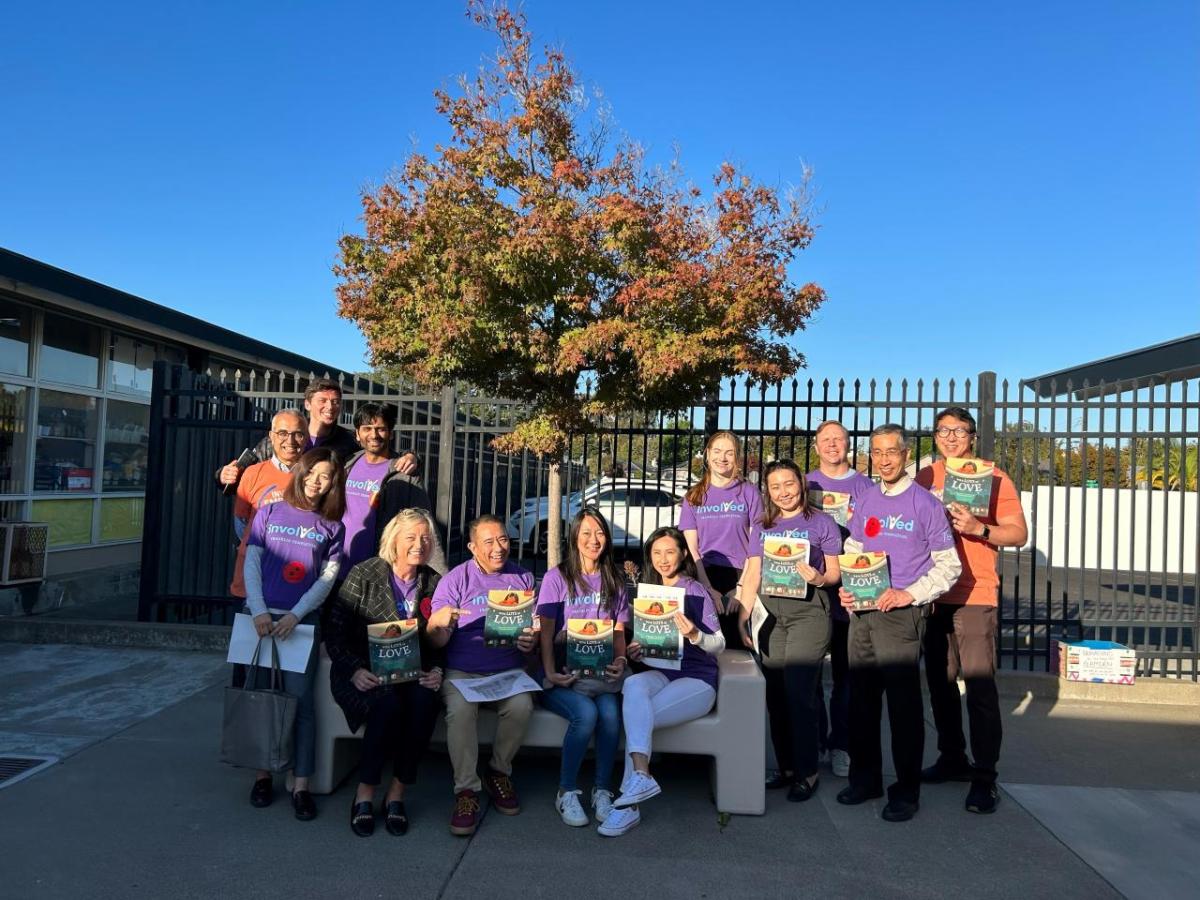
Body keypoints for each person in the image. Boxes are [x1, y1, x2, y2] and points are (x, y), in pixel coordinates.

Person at [835, 424, 960, 822]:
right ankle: (865, 779)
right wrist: (848, 588)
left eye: (891, 452)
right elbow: (855, 547)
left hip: (901, 617)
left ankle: (906, 791)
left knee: (904, 709)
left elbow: (950, 565)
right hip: (863, 615)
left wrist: (910, 594)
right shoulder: (868, 499)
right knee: (861, 703)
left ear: (906, 455)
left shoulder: (925, 504)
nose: (884, 459)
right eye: (876, 452)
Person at [916, 407, 1028, 814]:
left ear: (972, 436)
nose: (950, 437)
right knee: (940, 685)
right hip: (932, 593)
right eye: (943, 431)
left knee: (979, 687)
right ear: (934, 437)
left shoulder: (994, 477)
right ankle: (952, 758)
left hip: (975, 592)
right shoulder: (925, 477)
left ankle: (985, 777)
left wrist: (979, 529)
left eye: (958, 431)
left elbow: (1018, 532)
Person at [326, 508, 446, 836]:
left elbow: (444, 643)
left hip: (412, 673)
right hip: (363, 670)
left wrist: (437, 670)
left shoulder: (434, 583)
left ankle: (397, 793)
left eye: (425, 538)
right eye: (411, 537)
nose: (419, 544)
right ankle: (365, 792)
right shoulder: (365, 574)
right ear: (394, 540)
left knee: (425, 702)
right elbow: (334, 633)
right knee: (386, 705)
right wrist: (353, 670)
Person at [599, 526, 724, 837]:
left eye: (670, 551)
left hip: (697, 679)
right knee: (632, 686)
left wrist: (694, 634)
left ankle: (626, 808)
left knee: (639, 715)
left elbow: (718, 644)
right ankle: (641, 776)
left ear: (683, 553)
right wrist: (636, 650)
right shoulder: (649, 591)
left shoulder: (695, 591)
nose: (663, 559)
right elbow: (647, 651)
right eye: (657, 553)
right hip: (661, 673)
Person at [242, 446, 346, 821]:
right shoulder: (268, 512)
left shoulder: (334, 526)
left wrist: (297, 614)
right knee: (261, 699)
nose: (318, 483)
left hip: (300, 624)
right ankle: (262, 776)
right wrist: (258, 610)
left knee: (301, 705)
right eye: (313, 474)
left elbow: (327, 579)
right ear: (300, 473)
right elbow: (252, 563)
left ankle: (301, 785)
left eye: (327, 477)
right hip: (259, 620)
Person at [737, 460, 842, 802]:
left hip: (808, 615)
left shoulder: (822, 523)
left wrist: (820, 578)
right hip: (771, 616)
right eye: (775, 487)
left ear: (801, 483)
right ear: (767, 491)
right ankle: (785, 768)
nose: (784, 492)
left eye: (789, 484)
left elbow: (835, 573)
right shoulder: (763, 525)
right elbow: (753, 572)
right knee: (777, 696)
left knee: (799, 693)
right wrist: (744, 613)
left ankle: (807, 772)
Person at [427, 515, 538, 836]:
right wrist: (440, 624)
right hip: (463, 671)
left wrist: (528, 641)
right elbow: (435, 639)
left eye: (503, 539)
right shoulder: (456, 580)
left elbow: (532, 637)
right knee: (460, 710)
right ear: (473, 547)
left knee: (521, 706)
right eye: (488, 542)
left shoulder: (522, 578)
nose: (498, 548)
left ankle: (498, 772)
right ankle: (466, 791)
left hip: (507, 671)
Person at [536, 508, 630, 828]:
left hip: (601, 677)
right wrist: (550, 673)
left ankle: (602, 791)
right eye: (586, 533)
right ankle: (566, 791)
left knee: (610, 715)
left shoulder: (614, 579)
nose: (594, 540)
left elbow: (619, 632)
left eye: (600, 532)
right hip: (563, 676)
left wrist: (620, 661)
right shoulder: (556, 577)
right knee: (586, 715)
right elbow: (545, 633)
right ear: (574, 536)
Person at [805, 420, 875, 778]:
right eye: (825, 440)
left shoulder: (865, 486)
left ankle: (842, 745)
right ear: (817, 447)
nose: (833, 445)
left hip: (852, 589)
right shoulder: (806, 484)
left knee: (847, 676)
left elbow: (877, 535)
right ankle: (816, 740)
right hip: (811, 590)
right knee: (811, 673)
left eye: (839, 440)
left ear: (849, 444)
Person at [216, 378, 418, 492]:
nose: (330, 407)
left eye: (336, 401)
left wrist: (411, 456)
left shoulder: (347, 443)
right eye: (323, 400)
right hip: (277, 520)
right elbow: (245, 473)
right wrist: (223, 475)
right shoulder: (280, 439)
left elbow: (380, 455)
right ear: (307, 404)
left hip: (322, 523)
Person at [339, 401, 447, 574]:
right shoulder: (346, 464)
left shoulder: (404, 472)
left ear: (390, 434)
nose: (374, 435)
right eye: (367, 428)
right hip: (340, 562)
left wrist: (441, 577)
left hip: (379, 567)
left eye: (380, 429)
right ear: (357, 434)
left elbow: (423, 521)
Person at [678, 430, 763, 648]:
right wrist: (707, 589)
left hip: (742, 575)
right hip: (704, 575)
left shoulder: (749, 492)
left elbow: (757, 545)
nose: (722, 458)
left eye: (729, 453)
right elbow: (692, 549)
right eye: (716, 451)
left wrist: (742, 587)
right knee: (708, 645)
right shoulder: (694, 496)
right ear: (707, 454)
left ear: (737, 457)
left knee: (738, 647)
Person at [228, 409, 308, 600]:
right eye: (282, 433)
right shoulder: (252, 473)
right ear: (271, 436)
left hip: (296, 581)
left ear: (306, 438)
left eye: (298, 433)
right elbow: (242, 524)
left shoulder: (315, 477)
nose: (290, 441)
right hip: (252, 579)